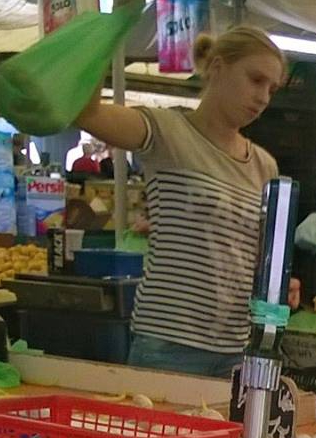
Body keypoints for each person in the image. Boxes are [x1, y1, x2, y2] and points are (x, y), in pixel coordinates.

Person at [77, 22, 285, 375]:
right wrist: (110, 26)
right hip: (169, 345)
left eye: (272, 88)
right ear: (218, 67)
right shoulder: (166, 132)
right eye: (255, 80)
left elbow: (254, 254)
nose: (264, 97)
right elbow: (88, 113)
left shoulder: (265, 166)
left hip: (238, 349)